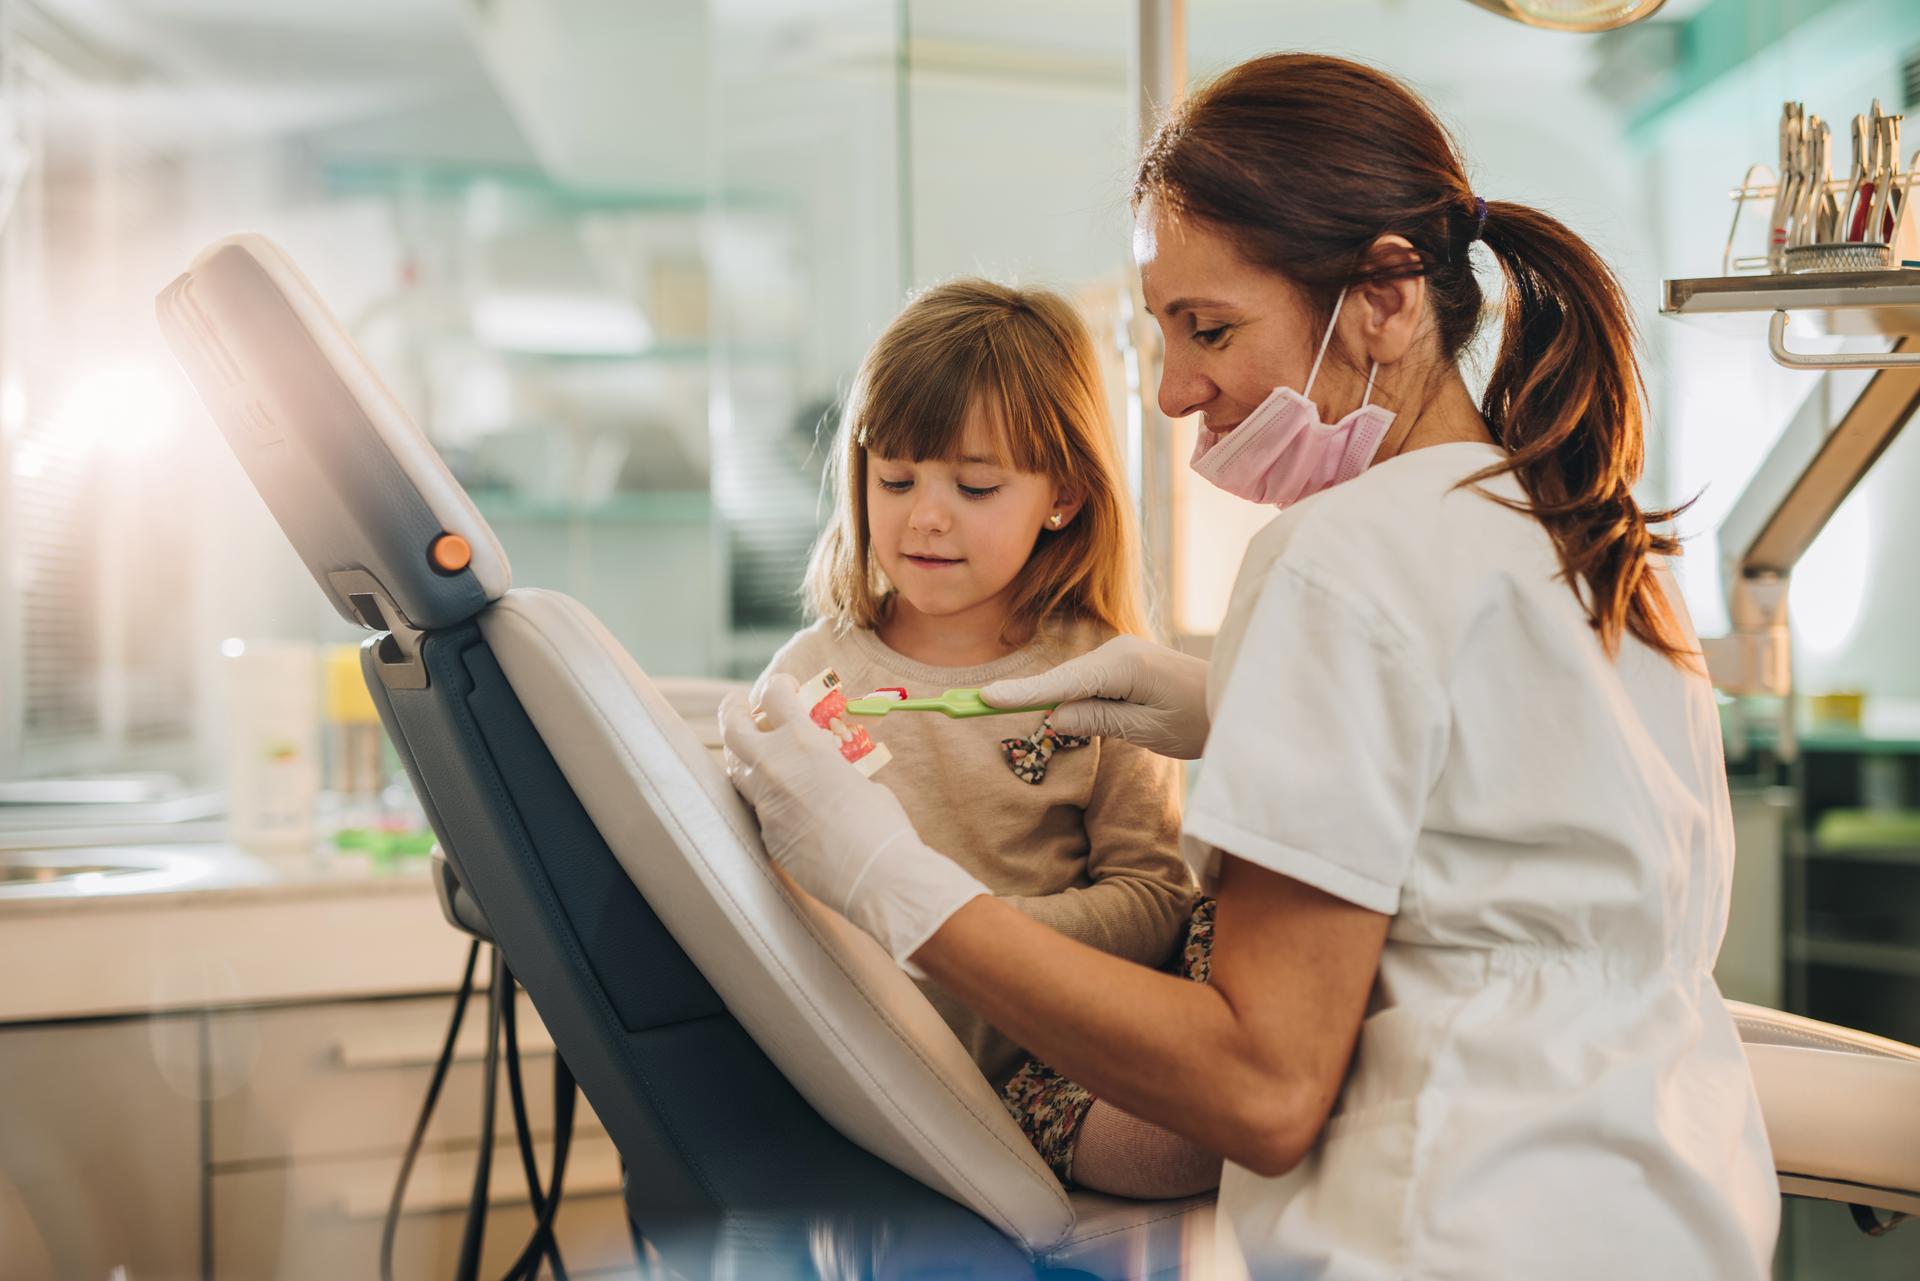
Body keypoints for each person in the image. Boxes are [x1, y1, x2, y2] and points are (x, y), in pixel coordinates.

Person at [723, 53, 1778, 1278]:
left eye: (1210, 329)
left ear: (1385, 296)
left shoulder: (1341, 559)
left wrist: (883, 875)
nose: (1174, 392)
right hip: (1675, 1221)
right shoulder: (1599, 546)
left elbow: (1264, 1087)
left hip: (1447, 1232)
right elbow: (1515, 859)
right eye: (1161, 335)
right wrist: (1230, 712)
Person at [753, 278, 1220, 1198]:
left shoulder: (1108, 679)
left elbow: (1152, 898)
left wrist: (978, 935)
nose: (925, 515)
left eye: (973, 485)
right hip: (874, 1072)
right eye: (895, 479)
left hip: (1047, 1069)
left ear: (1064, 497)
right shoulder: (814, 674)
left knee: (1192, 1141)